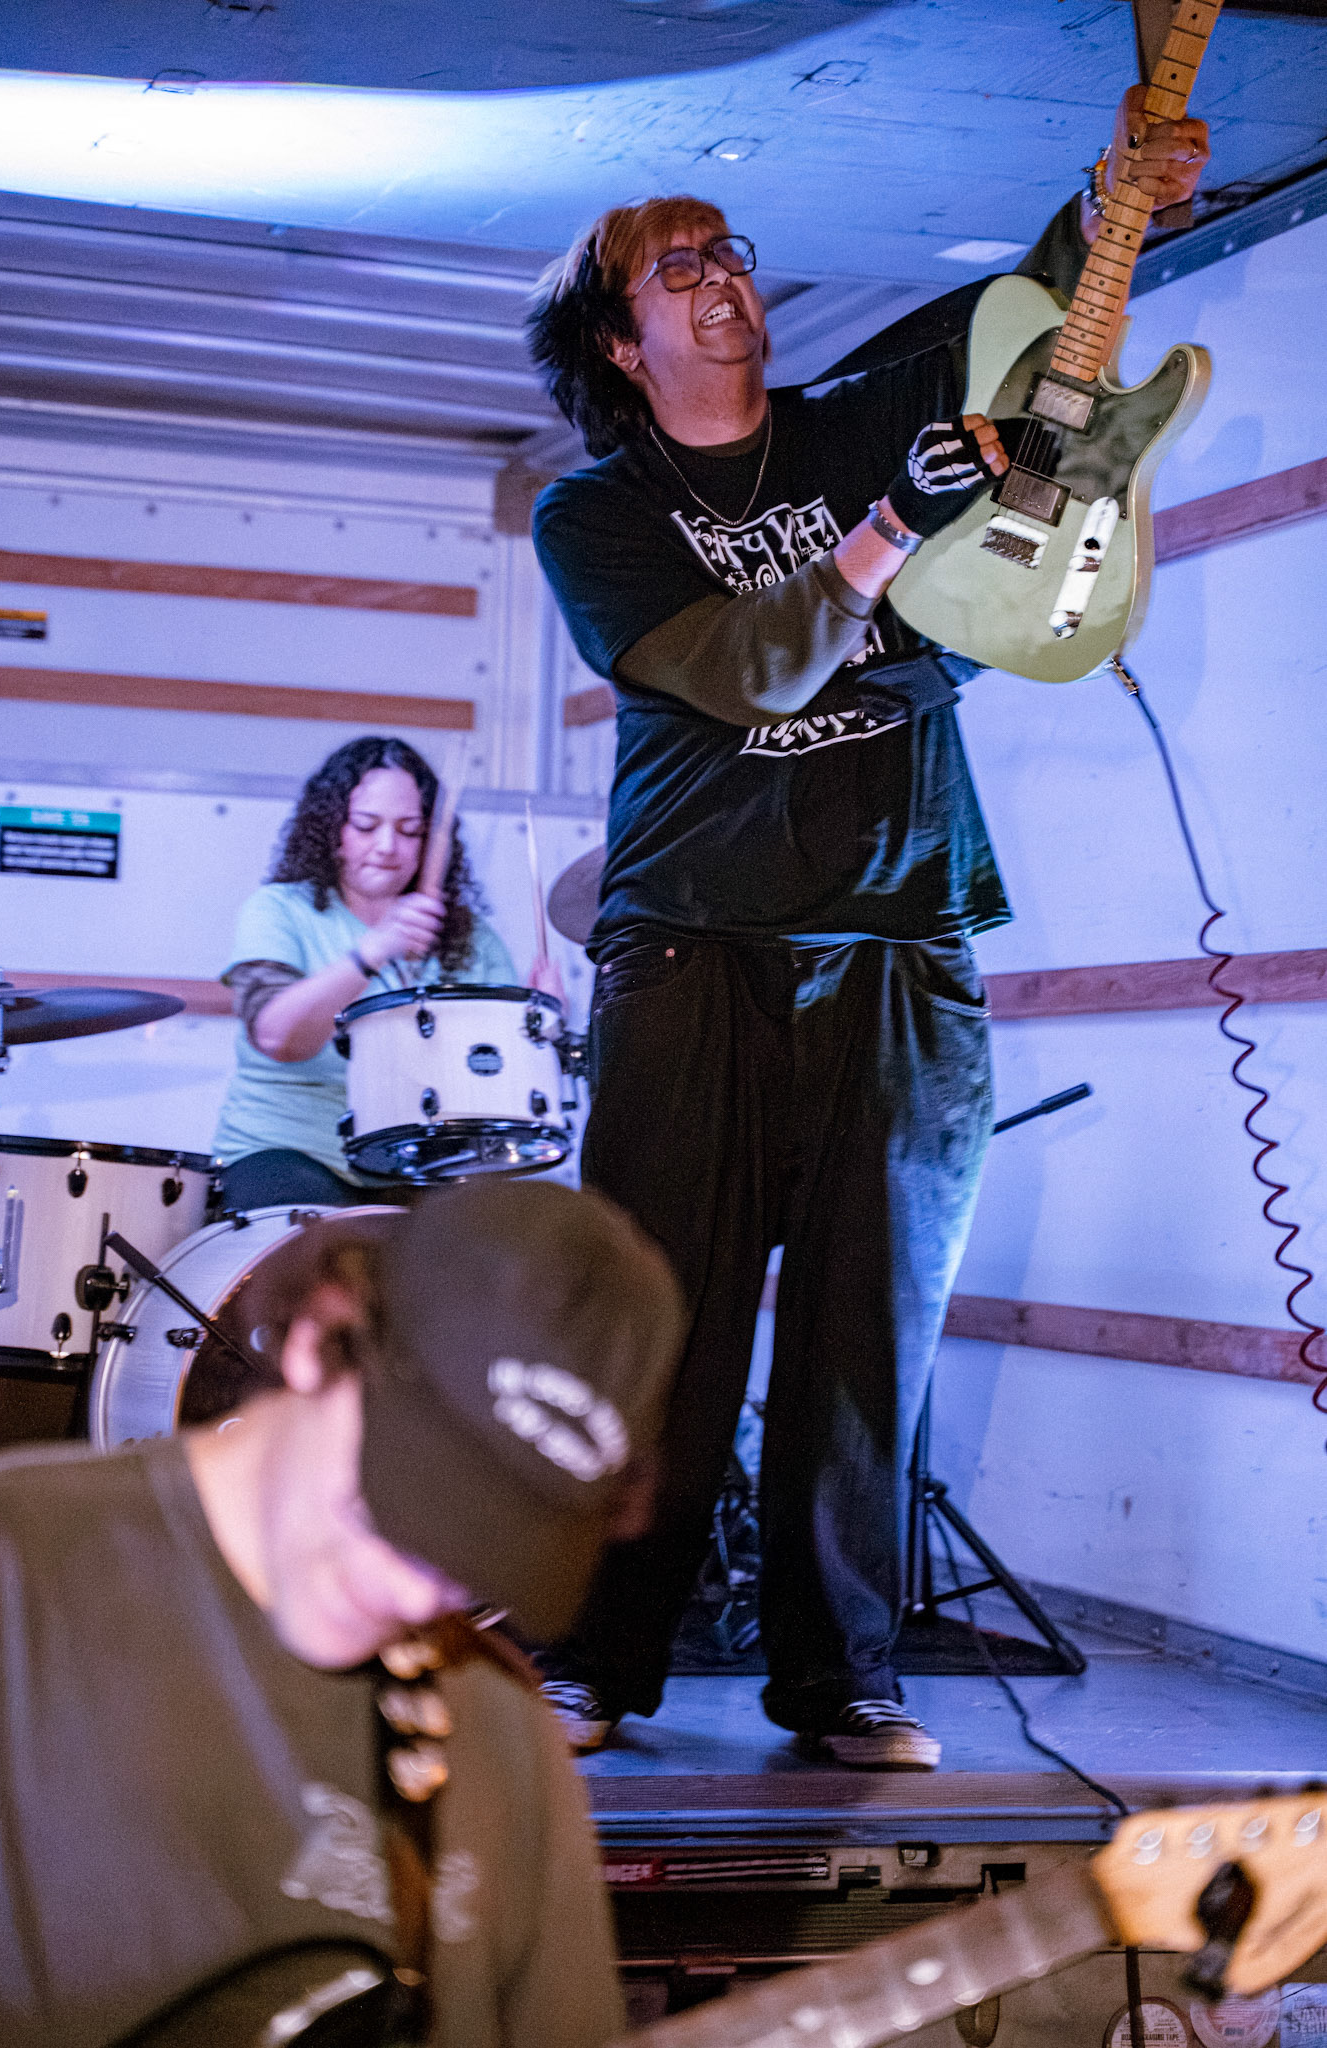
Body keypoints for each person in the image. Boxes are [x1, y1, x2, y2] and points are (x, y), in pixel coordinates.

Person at [526, 89, 1209, 1767]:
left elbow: (1029, 330)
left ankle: (843, 1676)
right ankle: (601, 1657)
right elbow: (752, 669)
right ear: (618, 341)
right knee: (662, 1320)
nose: (722, 279)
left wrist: (1114, 206)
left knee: (870, 1328)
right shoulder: (594, 515)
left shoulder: (857, 419)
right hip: (693, 941)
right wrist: (889, 528)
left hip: (904, 934)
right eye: (677, 266)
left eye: (730, 253)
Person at [0, 1178, 685, 2048]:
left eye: (479, 1558)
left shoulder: (500, 1728)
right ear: (317, 1339)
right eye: (400, 1507)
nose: (417, 1598)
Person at [213, 734, 563, 1211]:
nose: (387, 846)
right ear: (332, 828)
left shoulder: (471, 937)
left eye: (409, 830)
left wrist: (541, 1029)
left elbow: (494, 1079)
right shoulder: (279, 910)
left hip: (426, 1158)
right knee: (323, 1249)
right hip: (290, 1148)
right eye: (365, 825)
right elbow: (277, 1037)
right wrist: (372, 951)